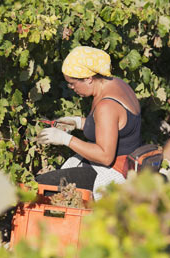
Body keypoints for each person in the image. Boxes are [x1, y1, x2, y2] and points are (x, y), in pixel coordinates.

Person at [36, 46, 141, 200]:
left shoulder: (106, 106)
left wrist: (66, 140)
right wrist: (77, 123)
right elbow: (110, 126)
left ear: (88, 79)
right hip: (126, 164)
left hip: (113, 171)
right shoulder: (116, 84)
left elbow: (105, 156)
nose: (71, 88)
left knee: (43, 186)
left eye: (72, 83)